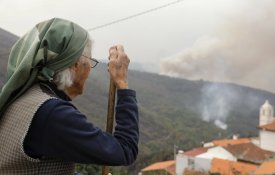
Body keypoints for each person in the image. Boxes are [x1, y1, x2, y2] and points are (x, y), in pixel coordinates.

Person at [0, 18, 139, 174]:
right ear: (74, 65)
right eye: (90, 61)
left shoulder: (25, 97)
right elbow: (125, 149)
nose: (90, 69)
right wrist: (121, 82)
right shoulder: (52, 113)